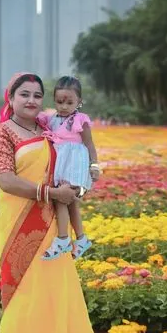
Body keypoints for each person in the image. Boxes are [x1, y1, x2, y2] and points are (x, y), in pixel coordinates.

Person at [0, 72, 98, 333]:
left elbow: (71, 157)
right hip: (21, 229)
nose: (32, 101)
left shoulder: (48, 127)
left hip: (53, 229)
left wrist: (83, 180)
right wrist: (51, 194)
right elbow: (6, 181)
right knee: (28, 302)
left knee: (57, 298)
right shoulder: (1, 133)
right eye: (24, 94)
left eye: (37, 95)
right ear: (11, 98)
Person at [38, 76, 100, 260]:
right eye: (59, 102)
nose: (64, 106)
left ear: (79, 102)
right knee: (71, 201)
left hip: (73, 164)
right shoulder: (52, 118)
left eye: (69, 102)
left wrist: (94, 165)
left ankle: (63, 239)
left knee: (61, 199)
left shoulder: (80, 119)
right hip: (60, 162)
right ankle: (81, 239)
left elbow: (89, 144)